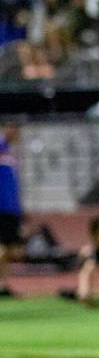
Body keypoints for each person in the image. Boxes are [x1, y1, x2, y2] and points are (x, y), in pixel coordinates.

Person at [0, 125, 24, 298]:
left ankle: (3, 285)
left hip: (12, 208)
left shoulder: (11, 154)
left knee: (12, 250)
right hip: (1, 207)